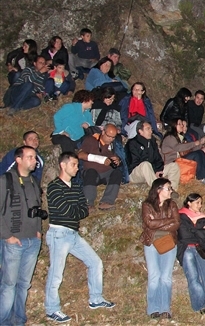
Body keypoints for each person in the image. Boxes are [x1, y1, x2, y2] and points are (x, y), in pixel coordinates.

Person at [45, 152, 115, 323]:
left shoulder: (75, 187)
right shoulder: (54, 186)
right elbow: (66, 211)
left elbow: (83, 210)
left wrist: (75, 211)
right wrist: (75, 211)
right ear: (63, 165)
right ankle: (51, 309)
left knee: (95, 262)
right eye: (74, 164)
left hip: (72, 233)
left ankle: (96, 298)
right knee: (56, 273)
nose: (77, 168)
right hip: (59, 233)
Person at [0, 146, 43, 325]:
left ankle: (18, 319)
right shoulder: (5, 180)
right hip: (13, 241)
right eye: (31, 157)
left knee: (23, 284)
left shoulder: (33, 181)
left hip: (32, 240)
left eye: (35, 157)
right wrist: (7, 236)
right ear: (18, 159)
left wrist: (38, 231)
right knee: (9, 285)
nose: (35, 161)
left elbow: (38, 208)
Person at [140, 178, 180, 319]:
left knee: (166, 277)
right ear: (158, 189)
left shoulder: (172, 205)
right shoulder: (147, 205)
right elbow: (148, 223)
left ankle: (165, 308)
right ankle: (153, 308)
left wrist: (158, 222)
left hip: (169, 242)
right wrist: (168, 221)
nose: (171, 191)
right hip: (151, 243)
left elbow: (176, 224)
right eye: (168, 188)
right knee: (154, 276)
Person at [77, 124, 123, 211]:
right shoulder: (91, 140)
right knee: (91, 172)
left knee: (117, 173)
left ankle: (107, 201)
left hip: (106, 174)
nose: (111, 139)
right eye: (109, 136)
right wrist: (100, 159)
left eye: (113, 137)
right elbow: (80, 155)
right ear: (103, 132)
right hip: (92, 174)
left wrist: (117, 160)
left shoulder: (113, 144)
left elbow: (119, 159)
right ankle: (88, 203)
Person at [161, 119, 205, 185]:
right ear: (174, 125)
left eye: (182, 124)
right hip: (172, 163)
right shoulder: (170, 137)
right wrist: (194, 143)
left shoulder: (180, 137)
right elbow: (178, 147)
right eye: (180, 124)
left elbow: (190, 149)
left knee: (200, 152)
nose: (182, 125)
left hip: (179, 160)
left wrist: (200, 144)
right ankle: (202, 177)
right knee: (197, 154)